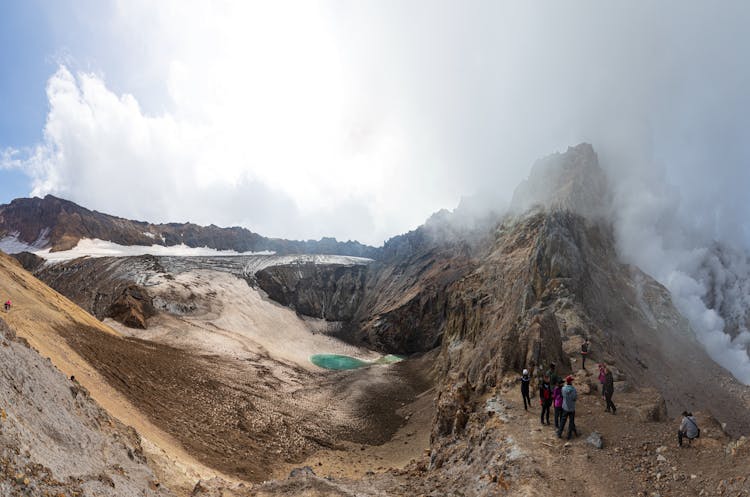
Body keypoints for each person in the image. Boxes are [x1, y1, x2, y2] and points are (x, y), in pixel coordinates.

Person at [557, 375, 579, 439]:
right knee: (571, 422)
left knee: (563, 421)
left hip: (565, 407)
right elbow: (575, 398)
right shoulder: (574, 389)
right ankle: (568, 436)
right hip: (572, 408)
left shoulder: (563, 388)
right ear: (571, 382)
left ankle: (559, 433)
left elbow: (563, 396)